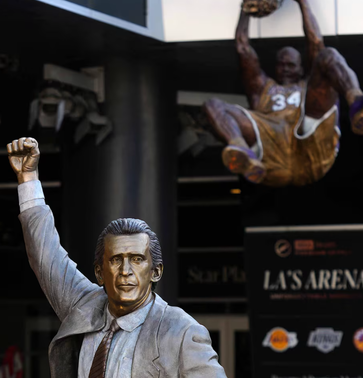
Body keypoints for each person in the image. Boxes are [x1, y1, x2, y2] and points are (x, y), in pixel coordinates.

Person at [7, 137, 226, 378]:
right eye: (115, 260)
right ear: (99, 272)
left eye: (137, 259)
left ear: (156, 272)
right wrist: (28, 178)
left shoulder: (181, 331)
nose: (125, 271)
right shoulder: (84, 306)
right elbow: (45, 256)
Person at [203, 0, 363, 186]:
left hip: (312, 148)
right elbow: (243, 49)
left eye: (291, 65)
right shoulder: (262, 88)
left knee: (327, 55)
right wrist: (245, 9)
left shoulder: (307, 85)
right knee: (212, 105)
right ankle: (243, 153)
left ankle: (358, 104)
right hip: (270, 154)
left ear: (301, 68)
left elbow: (315, 42)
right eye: (281, 64)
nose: (285, 68)